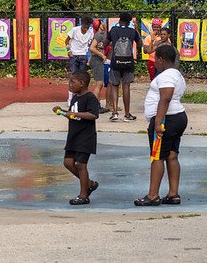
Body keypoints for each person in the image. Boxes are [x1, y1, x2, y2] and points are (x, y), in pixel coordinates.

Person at [135, 44, 188, 206]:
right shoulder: (176, 74)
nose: (154, 61)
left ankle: (153, 195)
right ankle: (173, 194)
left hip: (166, 120)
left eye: (155, 58)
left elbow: (165, 97)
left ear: (160, 59)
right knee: (171, 155)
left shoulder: (166, 76)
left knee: (157, 157)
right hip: (177, 117)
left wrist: (158, 122)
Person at [53, 70, 100, 205]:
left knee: (81, 164)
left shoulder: (90, 97)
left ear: (82, 83)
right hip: (73, 136)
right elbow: (71, 114)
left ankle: (84, 195)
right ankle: (89, 183)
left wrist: (74, 114)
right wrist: (61, 111)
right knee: (68, 163)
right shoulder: (75, 97)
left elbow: (93, 115)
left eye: (72, 82)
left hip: (85, 137)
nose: (70, 85)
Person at [106, 12, 142, 122]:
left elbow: (105, 42)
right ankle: (127, 114)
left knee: (115, 86)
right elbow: (140, 44)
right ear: (130, 21)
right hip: (128, 62)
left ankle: (115, 112)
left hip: (115, 62)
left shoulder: (113, 30)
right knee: (126, 87)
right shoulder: (132, 31)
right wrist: (136, 30)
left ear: (120, 19)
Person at [87, 19, 109, 112]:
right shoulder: (98, 35)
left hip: (96, 60)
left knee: (99, 84)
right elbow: (92, 48)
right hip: (97, 60)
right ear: (99, 25)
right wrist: (102, 55)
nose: (104, 23)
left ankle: (97, 105)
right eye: (102, 22)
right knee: (99, 84)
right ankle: (95, 106)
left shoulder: (100, 34)